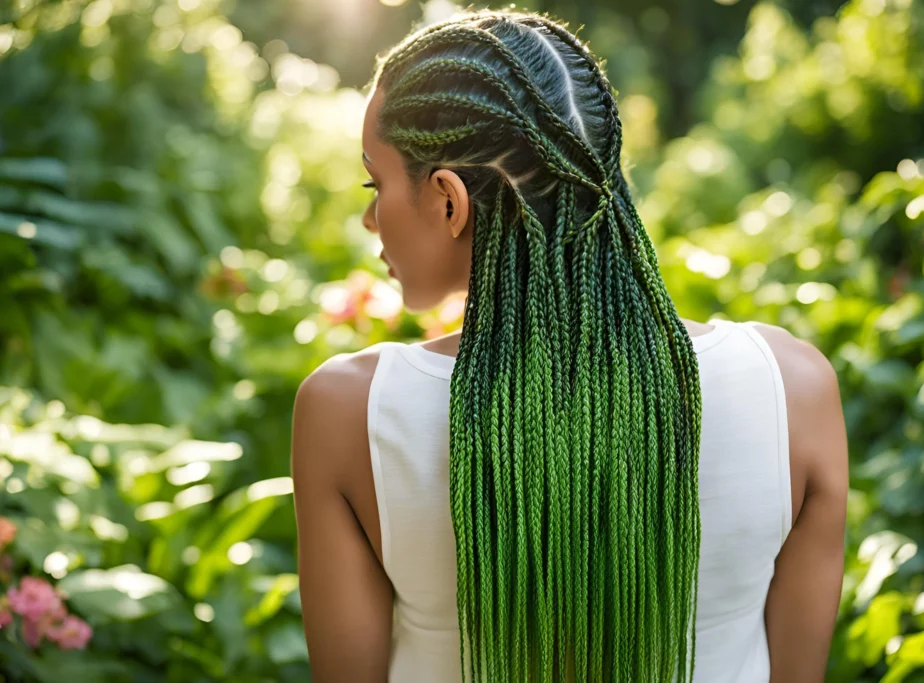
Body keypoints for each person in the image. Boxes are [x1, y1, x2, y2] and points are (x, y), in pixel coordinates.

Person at [290, 8, 848, 683]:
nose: (369, 216)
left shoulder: (350, 412)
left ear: (448, 200)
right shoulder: (794, 389)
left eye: (374, 184)